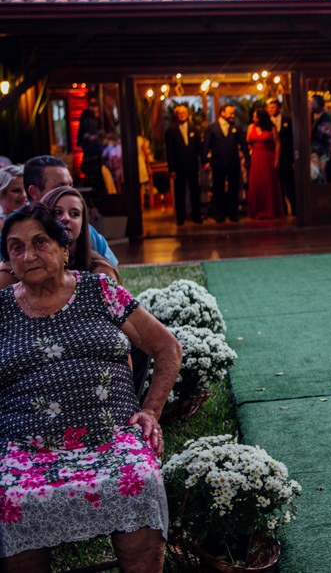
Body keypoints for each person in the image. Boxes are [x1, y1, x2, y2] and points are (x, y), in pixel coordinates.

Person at [0, 204, 182, 572]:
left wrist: (150, 411)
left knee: (140, 480)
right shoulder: (2, 309)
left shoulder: (99, 290)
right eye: (16, 247)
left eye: (40, 242)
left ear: (64, 248)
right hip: (26, 448)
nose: (28, 255)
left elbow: (168, 348)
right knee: (10, 500)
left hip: (113, 436)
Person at [23, 155, 118, 267]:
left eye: (71, 185)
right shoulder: (17, 230)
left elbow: (111, 269)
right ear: (34, 192)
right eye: (60, 187)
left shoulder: (83, 230)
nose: (69, 192)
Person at [202, 104, 249, 222]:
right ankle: (219, 214)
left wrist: (247, 158)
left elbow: (243, 143)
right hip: (218, 162)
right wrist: (205, 161)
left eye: (233, 113)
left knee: (234, 188)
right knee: (218, 188)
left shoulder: (236, 126)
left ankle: (233, 213)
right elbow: (206, 145)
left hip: (233, 162)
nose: (232, 115)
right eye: (230, 113)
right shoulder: (212, 127)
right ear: (222, 113)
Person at [165, 105, 204, 225]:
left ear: (187, 115)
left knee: (195, 191)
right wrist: (171, 169)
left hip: (192, 166)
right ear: (176, 115)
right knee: (179, 193)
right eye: (179, 113)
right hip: (178, 167)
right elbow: (169, 151)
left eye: (183, 113)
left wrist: (203, 162)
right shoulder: (171, 131)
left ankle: (196, 215)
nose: (182, 115)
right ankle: (180, 217)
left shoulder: (194, 129)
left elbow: (199, 148)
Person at [246, 108, 284, 220]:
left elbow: (277, 144)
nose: (253, 118)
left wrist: (277, 159)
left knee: (267, 183)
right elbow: (248, 141)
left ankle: (269, 210)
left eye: (255, 117)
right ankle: (256, 210)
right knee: (256, 183)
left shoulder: (271, 128)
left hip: (267, 156)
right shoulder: (251, 127)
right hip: (256, 157)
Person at [267, 99, 295, 214]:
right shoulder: (266, 123)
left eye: (273, 107)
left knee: (290, 184)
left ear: (279, 108)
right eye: (269, 108)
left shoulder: (288, 121)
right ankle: (282, 209)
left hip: (287, 157)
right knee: (277, 186)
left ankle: (295, 209)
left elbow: (293, 140)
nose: (270, 110)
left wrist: (293, 159)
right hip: (272, 157)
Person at [309, 95, 331, 183]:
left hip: (323, 153)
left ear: (318, 104)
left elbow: (324, 138)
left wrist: (324, 158)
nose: (311, 105)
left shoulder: (325, 118)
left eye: (313, 103)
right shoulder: (317, 117)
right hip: (319, 153)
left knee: (323, 178)